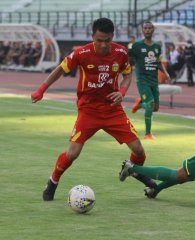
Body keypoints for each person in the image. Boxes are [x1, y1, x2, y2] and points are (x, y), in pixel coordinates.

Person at [31, 18, 156, 201]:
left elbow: (127, 74)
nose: (103, 44)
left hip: (112, 110)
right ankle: (53, 181)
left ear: (112, 36)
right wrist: (42, 89)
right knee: (73, 153)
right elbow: (60, 69)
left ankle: (132, 170)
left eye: (107, 40)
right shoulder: (82, 53)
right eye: (99, 40)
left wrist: (121, 92)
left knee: (138, 149)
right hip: (88, 110)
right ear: (92, 37)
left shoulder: (120, 52)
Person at [128, 21, 171, 140]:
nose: (147, 30)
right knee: (151, 104)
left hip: (154, 80)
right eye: (145, 28)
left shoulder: (157, 47)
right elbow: (126, 55)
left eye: (149, 28)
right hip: (142, 80)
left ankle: (140, 103)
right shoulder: (137, 46)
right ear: (142, 30)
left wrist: (166, 74)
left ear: (153, 30)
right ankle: (148, 133)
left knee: (155, 108)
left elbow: (158, 62)